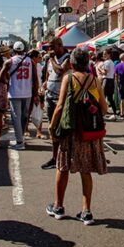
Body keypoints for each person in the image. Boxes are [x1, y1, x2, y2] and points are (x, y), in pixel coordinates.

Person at [46, 48, 108, 225]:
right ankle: (86, 211)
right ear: (88, 63)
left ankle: (58, 206)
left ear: (72, 64)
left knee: (63, 166)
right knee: (86, 169)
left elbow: (59, 106)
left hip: (71, 131)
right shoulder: (95, 80)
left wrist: (51, 126)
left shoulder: (69, 78)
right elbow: (104, 109)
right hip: (89, 132)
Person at [0, 41, 38, 150]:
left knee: (16, 117)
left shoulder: (9, 61)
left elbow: (0, 77)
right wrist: (35, 93)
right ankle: (21, 137)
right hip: (27, 93)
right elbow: (35, 80)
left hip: (14, 93)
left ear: (14, 50)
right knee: (24, 117)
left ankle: (20, 141)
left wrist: (8, 82)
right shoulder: (31, 61)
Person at [42, 37, 71, 169]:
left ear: (60, 45)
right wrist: (45, 84)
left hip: (61, 98)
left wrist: (51, 59)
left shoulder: (67, 58)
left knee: (63, 128)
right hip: (50, 96)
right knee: (52, 127)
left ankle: (66, 156)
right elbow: (49, 74)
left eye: (52, 47)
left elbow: (60, 71)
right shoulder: (51, 60)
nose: (50, 50)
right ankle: (55, 157)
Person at [27, 49, 46, 139]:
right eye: (39, 57)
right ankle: (26, 129)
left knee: (40, 110)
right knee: (28, 110)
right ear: (34, 57)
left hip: (38, 89)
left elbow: (41, 78)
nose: (41, 58)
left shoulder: (39, 66)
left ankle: (39, 132)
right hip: (29, 90)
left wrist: (41, 87)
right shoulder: (28, 65)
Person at [99, 49, 119, 121]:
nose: (103, 55)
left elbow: (105, 72)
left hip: (106, 80)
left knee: (102, 97)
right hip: (111, 80)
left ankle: (102, 113)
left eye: (105, 54)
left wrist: (99, 69)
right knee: (110, 98)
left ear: (109, 54)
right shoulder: (111, 62)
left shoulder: (107, 62)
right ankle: (115, 113)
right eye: (103, 54)